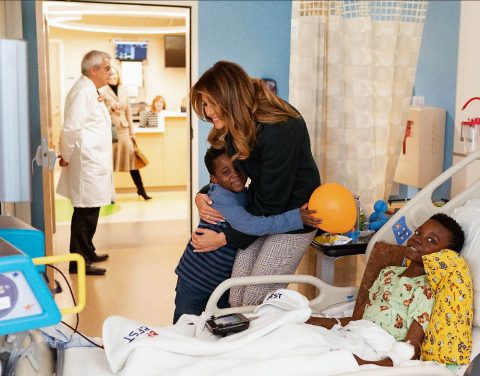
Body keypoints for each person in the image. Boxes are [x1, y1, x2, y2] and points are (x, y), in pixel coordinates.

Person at [190, 61, 321, 307]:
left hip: (294, 217)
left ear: (228, 97)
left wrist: (224, 238)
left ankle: (263, 343)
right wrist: (203, 193)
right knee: (237, 294)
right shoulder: (235, 121)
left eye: (209, 103)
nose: (207, 112)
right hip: (260, 212)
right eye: (205, 104)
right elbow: (224, 171)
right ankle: (240, 343)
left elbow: (274, 201)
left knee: (255, 300)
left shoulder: (280, 128)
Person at [173, 147, 319, 323]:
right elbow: (252, 225)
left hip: (220, 283)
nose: (235, 174)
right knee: (184, 326)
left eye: (238, 167)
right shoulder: (220, 197)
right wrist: (295, 218)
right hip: (195, 280)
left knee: (217, 328)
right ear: (214, 179)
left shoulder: (245, 194)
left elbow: (265, 212)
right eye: (226, 172)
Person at [307, 213, 465, 366]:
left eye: (431, 240)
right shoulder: (388, 273)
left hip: (377, 348)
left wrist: (368, 364)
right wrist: (315, 321)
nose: (418, 239)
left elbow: (410, 346)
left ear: (444, 257)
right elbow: (356, 320)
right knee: (299, 338)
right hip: (351, 334)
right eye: (418, 232)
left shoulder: (426, 290)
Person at [57, 50, 113, 276]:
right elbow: (71, 127)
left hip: (94, 161)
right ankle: (78, 262)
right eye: (107, 68)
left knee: (92, 210)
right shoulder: (82, 91)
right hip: (87, 162)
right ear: (93, 70)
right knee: (84, 213)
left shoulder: (91, 90)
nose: (110, 72)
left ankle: (88, 252)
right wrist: (66, 154)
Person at [99, 67, 151, 200]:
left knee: (132, 163)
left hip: (124, 131)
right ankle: (108, 196)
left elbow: (128, 112)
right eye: (109, 74)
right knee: (108, 164)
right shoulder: (101, 91)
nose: (112, 76)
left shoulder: (123, 90)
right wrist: (110, 108)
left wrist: (132, 132)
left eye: (114, 73)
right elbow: (98, 111)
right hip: (110, 131)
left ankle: (141, 190)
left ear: (118, 75)